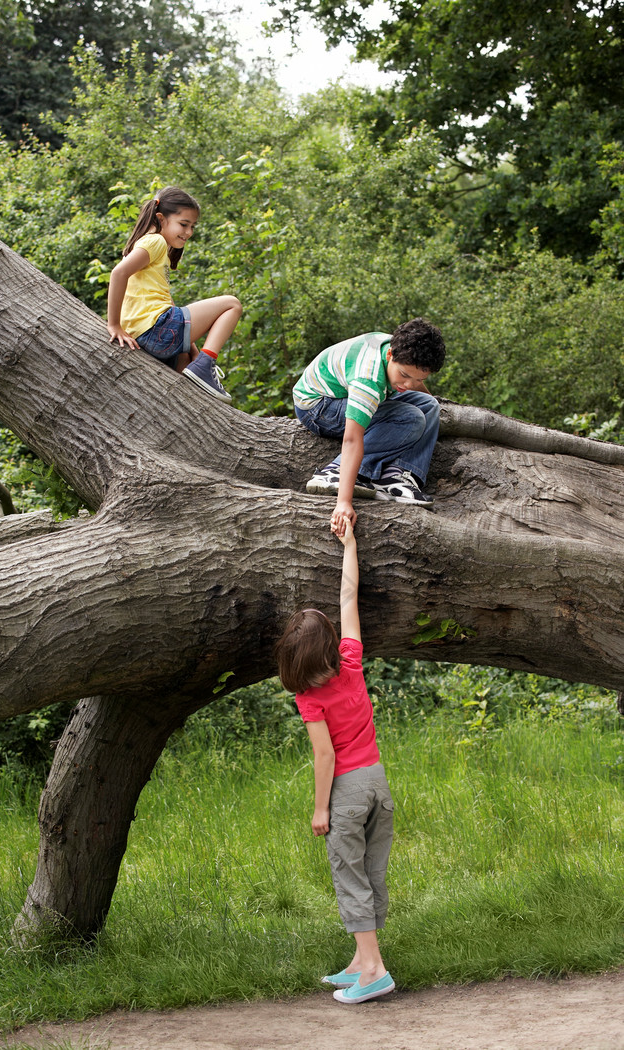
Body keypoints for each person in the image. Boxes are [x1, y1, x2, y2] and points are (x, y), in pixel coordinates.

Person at [275, 517, 396, 1005]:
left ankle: (374, 969)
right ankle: (358, 959)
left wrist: (321, 808)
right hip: (377, 783)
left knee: (349, 875)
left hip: (345, 790)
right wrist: (349, 543)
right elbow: (349, 597)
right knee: (370, 870)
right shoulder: (350, 660)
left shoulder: (309, 697)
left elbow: (325, 755)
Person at [293, 319, 445, 535]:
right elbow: (352, 439)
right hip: (318, 406)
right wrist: (343, 503)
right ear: (391, 356)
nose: (408, 385)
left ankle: (396, 475)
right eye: (404, 376)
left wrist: (432, 404)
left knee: (429, 405)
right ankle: (334, 472)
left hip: (345, 393)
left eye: (418, 379)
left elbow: (415, 386)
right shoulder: (369, 380)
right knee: (411, 418)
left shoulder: (400, 349)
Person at [106, 185, 242, 403]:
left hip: (147, 336)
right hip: (156, 328)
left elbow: (167, 301)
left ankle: (196, 382)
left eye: (192, 227)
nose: (188, 233)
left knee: (186, 361)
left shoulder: (150, 247)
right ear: (161, 218)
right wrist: (113, 325)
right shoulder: (155, 241)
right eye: (183, 224)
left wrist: (193, 349)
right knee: (232, 304)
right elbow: (118, 274)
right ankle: (207, 364)